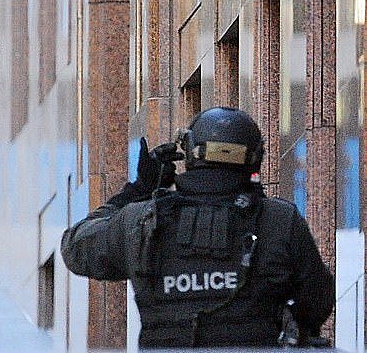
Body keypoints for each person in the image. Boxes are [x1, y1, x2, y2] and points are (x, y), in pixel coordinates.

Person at [61, 107, 334, 348]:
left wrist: (141, 188)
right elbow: (317, 298)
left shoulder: (141, 218)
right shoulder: (278, 220)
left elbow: (75, 248)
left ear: (190, 153)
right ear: (255, 158)